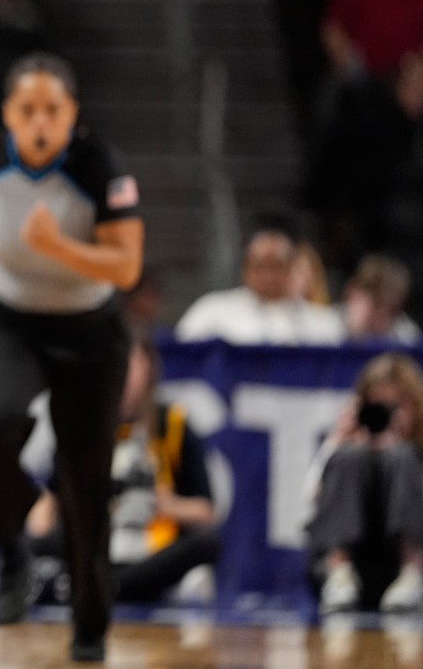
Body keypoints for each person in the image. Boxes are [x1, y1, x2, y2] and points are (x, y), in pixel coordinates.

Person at [0, 52, 143, 662]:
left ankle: (90, 628)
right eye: (28, 110)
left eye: (53, 110)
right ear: (8, 116)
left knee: (85, 484)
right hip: (9, 319)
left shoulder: (99, 164)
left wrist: (59, 247)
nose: (40, 122)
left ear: (72, 115)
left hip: (91, 331)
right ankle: (14, 553)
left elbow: (125, 266)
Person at [26, 338, 220, 606]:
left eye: (129, 364)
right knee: (25, 545)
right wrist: (41, 524)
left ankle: (89, 587)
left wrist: (168, 505)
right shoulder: (83, 425)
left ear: (148, 368)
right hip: (95, 541)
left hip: (151, 543)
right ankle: (110, 586)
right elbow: (51, 496)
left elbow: (206, 511)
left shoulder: (173, 423)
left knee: (207, 543)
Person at [306, 352, 423, 613]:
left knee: (402, 456)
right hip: (354, 568)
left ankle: (412, 573)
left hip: (399, 569)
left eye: (397, 407)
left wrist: (400, 450)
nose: (388, 416)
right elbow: (312, 497)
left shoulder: (413, 452)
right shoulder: (347, 449)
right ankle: (340, 573)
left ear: (415, 406)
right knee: (350, 457)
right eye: (378, 407)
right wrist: (337, 444)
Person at [174, 218, 344, 345]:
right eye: (261, 266)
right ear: (245, 269)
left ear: (292, 269)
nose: (269, 276)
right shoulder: (211, 312)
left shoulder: (322, 324)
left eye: (277, 266)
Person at [336, 253, 422, 345]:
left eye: (392, 311)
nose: (382, 318)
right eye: (377, 305)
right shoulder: (321, 330)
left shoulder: (407, 338)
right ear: (351, 293)